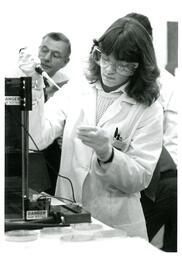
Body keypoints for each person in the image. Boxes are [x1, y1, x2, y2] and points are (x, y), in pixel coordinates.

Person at [19, 17, 163, 239]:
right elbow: (36, 139)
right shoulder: (76, 88)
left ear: (138, 67)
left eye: (122, 65)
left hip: (116, 222)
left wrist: (108, 154)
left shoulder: (148, 109)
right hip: (68, 213)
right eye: (104, 58)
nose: (109, 69)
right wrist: (35, 84)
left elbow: (140, 179)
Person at [124, 13, 178, 252]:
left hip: (163, 179)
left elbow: (174, 138)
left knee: (138, 245)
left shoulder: (167, 84)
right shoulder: (126, 78)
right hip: (141, 178)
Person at [39, 32, 71, 195]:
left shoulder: (67, 88)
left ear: (65, 62)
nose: (46, 58)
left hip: (52, 162)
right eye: (44, 50)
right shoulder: (17, 76)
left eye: (56, 55)